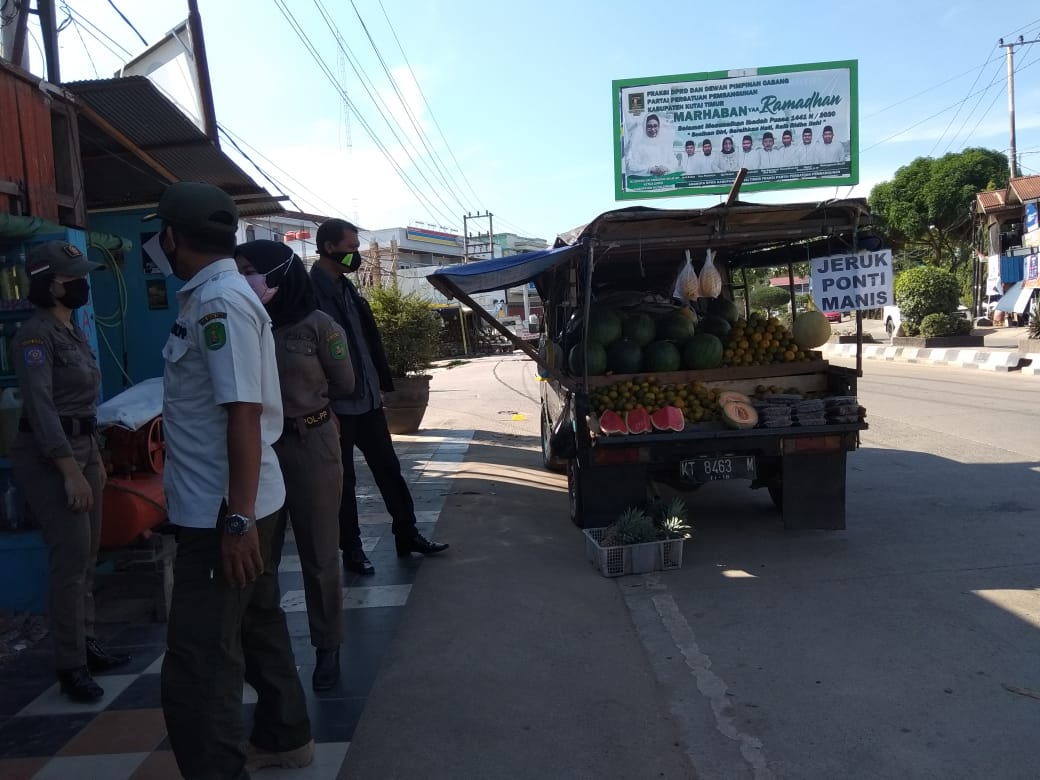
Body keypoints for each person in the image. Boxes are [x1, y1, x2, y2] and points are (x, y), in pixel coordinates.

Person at [153, 182, 313, 778]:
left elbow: (242, 411)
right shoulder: (215, 295)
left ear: (171, 237)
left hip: (220, 514)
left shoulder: (218, 302)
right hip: (244, 503)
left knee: (199, 664)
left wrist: (236, 522)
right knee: (258, 622)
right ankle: (283, 734)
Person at [10, 241, 131, 703]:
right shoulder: (35, 337)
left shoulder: (73, 330)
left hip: (84, 446)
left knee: (88, 554)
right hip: (50, 454)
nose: (83, 283)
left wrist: (93, 460)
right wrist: (69, 470)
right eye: (74, 277)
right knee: (70, 559)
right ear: (52, 284)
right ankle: (70, 663)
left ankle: (87, 640)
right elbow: (41, 411)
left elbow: (83, 402)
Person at [234, 239, 355, 692]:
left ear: (280, 272)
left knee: (320, 554)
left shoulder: (319, 326)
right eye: (240, 269)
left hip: (311, 444)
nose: (246, 278)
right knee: (260, 557)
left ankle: (328, 647)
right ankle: (268, 656)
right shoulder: (247, 323)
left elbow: (344, 383)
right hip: (261, 449)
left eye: (251, 269)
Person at [310, 218, 449, 576]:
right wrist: (323, 403)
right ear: (329, 248)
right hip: (337, 407)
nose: (355, 256)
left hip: (369, 401)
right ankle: (352, 550)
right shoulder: (312, 292)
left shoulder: (347, 289)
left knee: (389, 470)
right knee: (343, 483)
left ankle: (407, 533)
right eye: (351, 249)